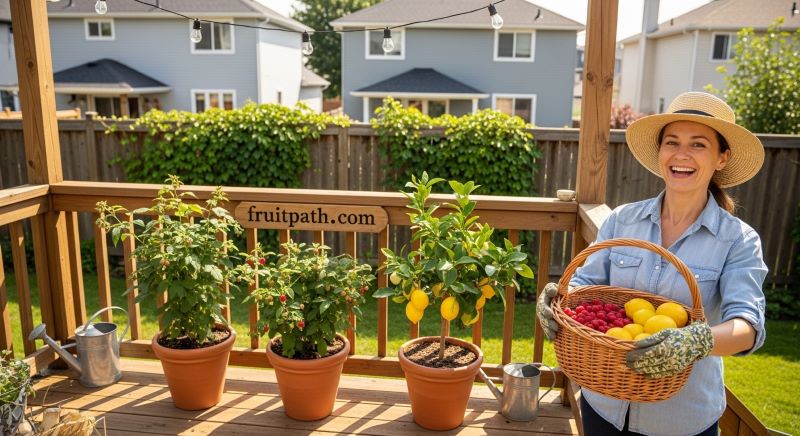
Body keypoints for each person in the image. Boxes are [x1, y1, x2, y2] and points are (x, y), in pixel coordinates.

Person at [537, 92, 768, 436]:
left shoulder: (738, 239)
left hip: (680, 419)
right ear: (661, 153)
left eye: (698, 144)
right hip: (604, 404)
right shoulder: (622, 220)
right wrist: (560, 301)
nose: (681, 154)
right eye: (672, 142)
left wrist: (695, 341)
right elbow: (585, 284)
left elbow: (747, 327)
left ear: (722, 158)